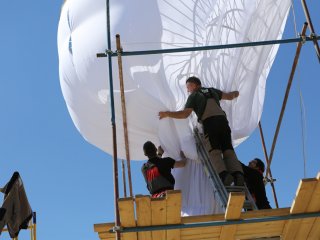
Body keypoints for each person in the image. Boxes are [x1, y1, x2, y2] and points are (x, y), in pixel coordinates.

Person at [159, 76, 244, 186]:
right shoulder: (213, 91)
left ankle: (224, 175)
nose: (187, 90)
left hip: (210, 123)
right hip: (223, 121)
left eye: (188, 87)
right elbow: (230, 96)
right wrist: (237, 92)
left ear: (194, 85)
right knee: (228, 149)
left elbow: (185, 114)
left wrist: (167, 114)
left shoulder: (194, 96)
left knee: (214, 151)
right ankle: (238, 175)